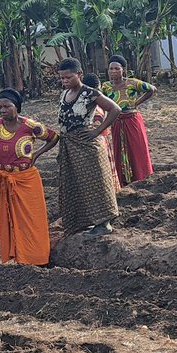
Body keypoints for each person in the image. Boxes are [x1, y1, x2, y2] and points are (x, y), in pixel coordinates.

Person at [0, 89, 59, 265]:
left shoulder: (30, 125)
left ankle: (35, 258)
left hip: (26, 179)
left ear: (17, 107)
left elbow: (53, 137)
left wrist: (36, 154)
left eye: (7, 106)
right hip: (4, 179)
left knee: (31, 219)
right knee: (7, 218)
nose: (3, 110)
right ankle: (12, 256)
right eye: (0, 107)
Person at [56, 58, 121, 235]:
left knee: (96, 183)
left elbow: (115, 109)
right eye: (62, 78)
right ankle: (83, 222)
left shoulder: (90, 93)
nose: (65, 81)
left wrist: (97, 131)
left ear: (79, 74)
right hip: (69, 145)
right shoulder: (64, 94)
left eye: (68, 77)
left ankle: (104, 224)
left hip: (87, 145)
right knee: (75, 183)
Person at [100, 54, 156, 185]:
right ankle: (123, 178)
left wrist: (137, 103)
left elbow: (152, 89)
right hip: (116, 122)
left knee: (137, 149)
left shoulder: (132, 83)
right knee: (118, 149)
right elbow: (102, 102)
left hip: (132, 120)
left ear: (123, 70)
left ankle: (141, 177)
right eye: (111, 69)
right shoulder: (106, 86)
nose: (113, 71)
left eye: (117, 68)